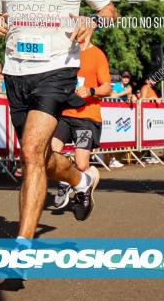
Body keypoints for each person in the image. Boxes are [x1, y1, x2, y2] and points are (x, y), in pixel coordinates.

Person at [0, 0, 117, 248]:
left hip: (56, 69)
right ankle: (80, 179)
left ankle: (22, 247)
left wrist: (93, 20)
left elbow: (109, 11)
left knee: (30, 152)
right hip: (15, 72)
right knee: (38, 157)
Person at [52, 41, 112, 209]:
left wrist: (91, 91)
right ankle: (65, 180)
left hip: (86, 119)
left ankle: (85, 178)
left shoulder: (97, 54)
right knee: (50, 153)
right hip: (64, 115)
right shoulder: (65, 50)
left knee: (81, 164)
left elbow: (107, 88)